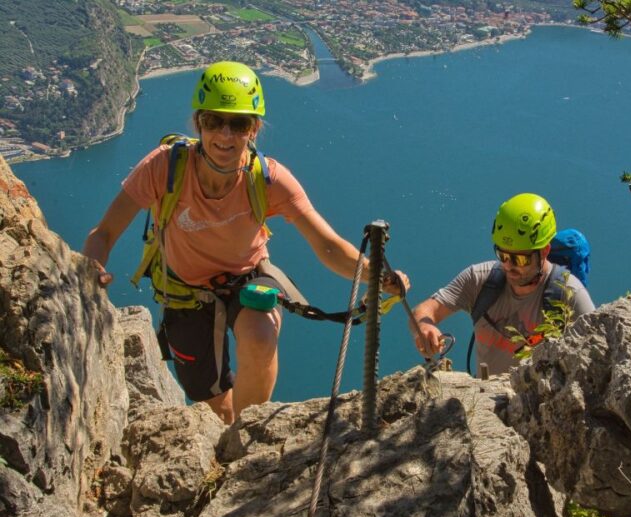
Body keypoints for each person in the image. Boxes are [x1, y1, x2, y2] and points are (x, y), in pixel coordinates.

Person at [83, 61, 409, 424]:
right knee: (215, 406)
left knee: (259, 338)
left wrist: (374, 274)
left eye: (238, 123)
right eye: (213, 121)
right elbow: (104, 233)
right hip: (184, 293)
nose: (225, 135)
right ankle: (231, 433)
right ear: (198, 123)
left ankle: (250, 437)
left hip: (248, 279)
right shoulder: (164, 168)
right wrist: (92, 270)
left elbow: (328, 245)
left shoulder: (268, 179)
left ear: (254, 129)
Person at [410, 193, 594, 376]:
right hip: (483, 396)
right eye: (503, 255)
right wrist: (424, 328)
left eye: (520, 259)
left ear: (544, 251)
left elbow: (596, 356)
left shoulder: (569, 295)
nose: (508, 266)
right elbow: (425, 310)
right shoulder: (479, 280)